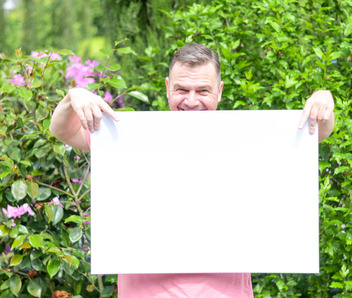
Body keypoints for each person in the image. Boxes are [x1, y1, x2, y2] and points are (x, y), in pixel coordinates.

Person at [50, 43, 334, 298]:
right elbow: (63, 130)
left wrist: (323, 100)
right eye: (182, 90)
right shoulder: (129, 137)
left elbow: (316, 132)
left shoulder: (247, 138)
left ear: (220, 91)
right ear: (167, 88)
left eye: (203, 91)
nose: (191, 100)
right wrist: (73, 96)